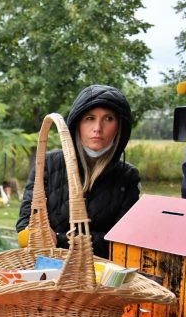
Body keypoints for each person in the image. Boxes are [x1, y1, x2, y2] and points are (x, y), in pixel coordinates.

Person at [16, 84, 140, 259]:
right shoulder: (48, 163)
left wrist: (59, 239)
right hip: (45, 268)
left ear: (120, 126)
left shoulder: (127, 177)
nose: (97, 127)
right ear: (77, 123)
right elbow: (25, 224)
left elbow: (121, 241)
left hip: (98, 275)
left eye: (108, 119)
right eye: (90, 118)